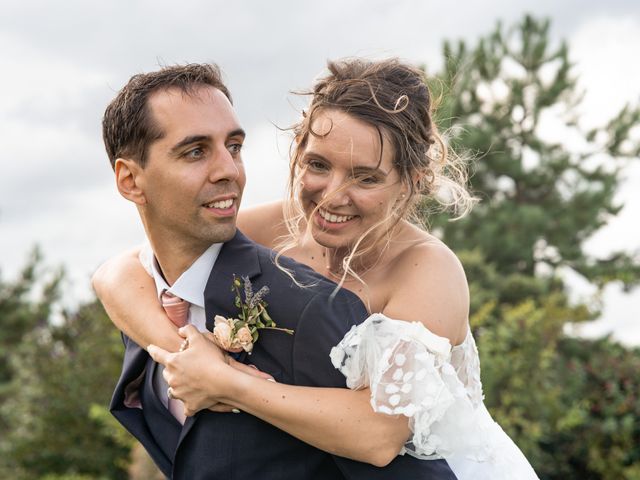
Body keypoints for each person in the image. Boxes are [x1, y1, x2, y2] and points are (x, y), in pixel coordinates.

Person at [96, 59, 540, 479]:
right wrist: (183, 354)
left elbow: (381, 433)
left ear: (412, 180)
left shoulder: (427, 269)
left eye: (365, 177)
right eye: (318, 165)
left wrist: (228, 383)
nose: (331, 196)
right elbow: (118, 274)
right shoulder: (282, 226)